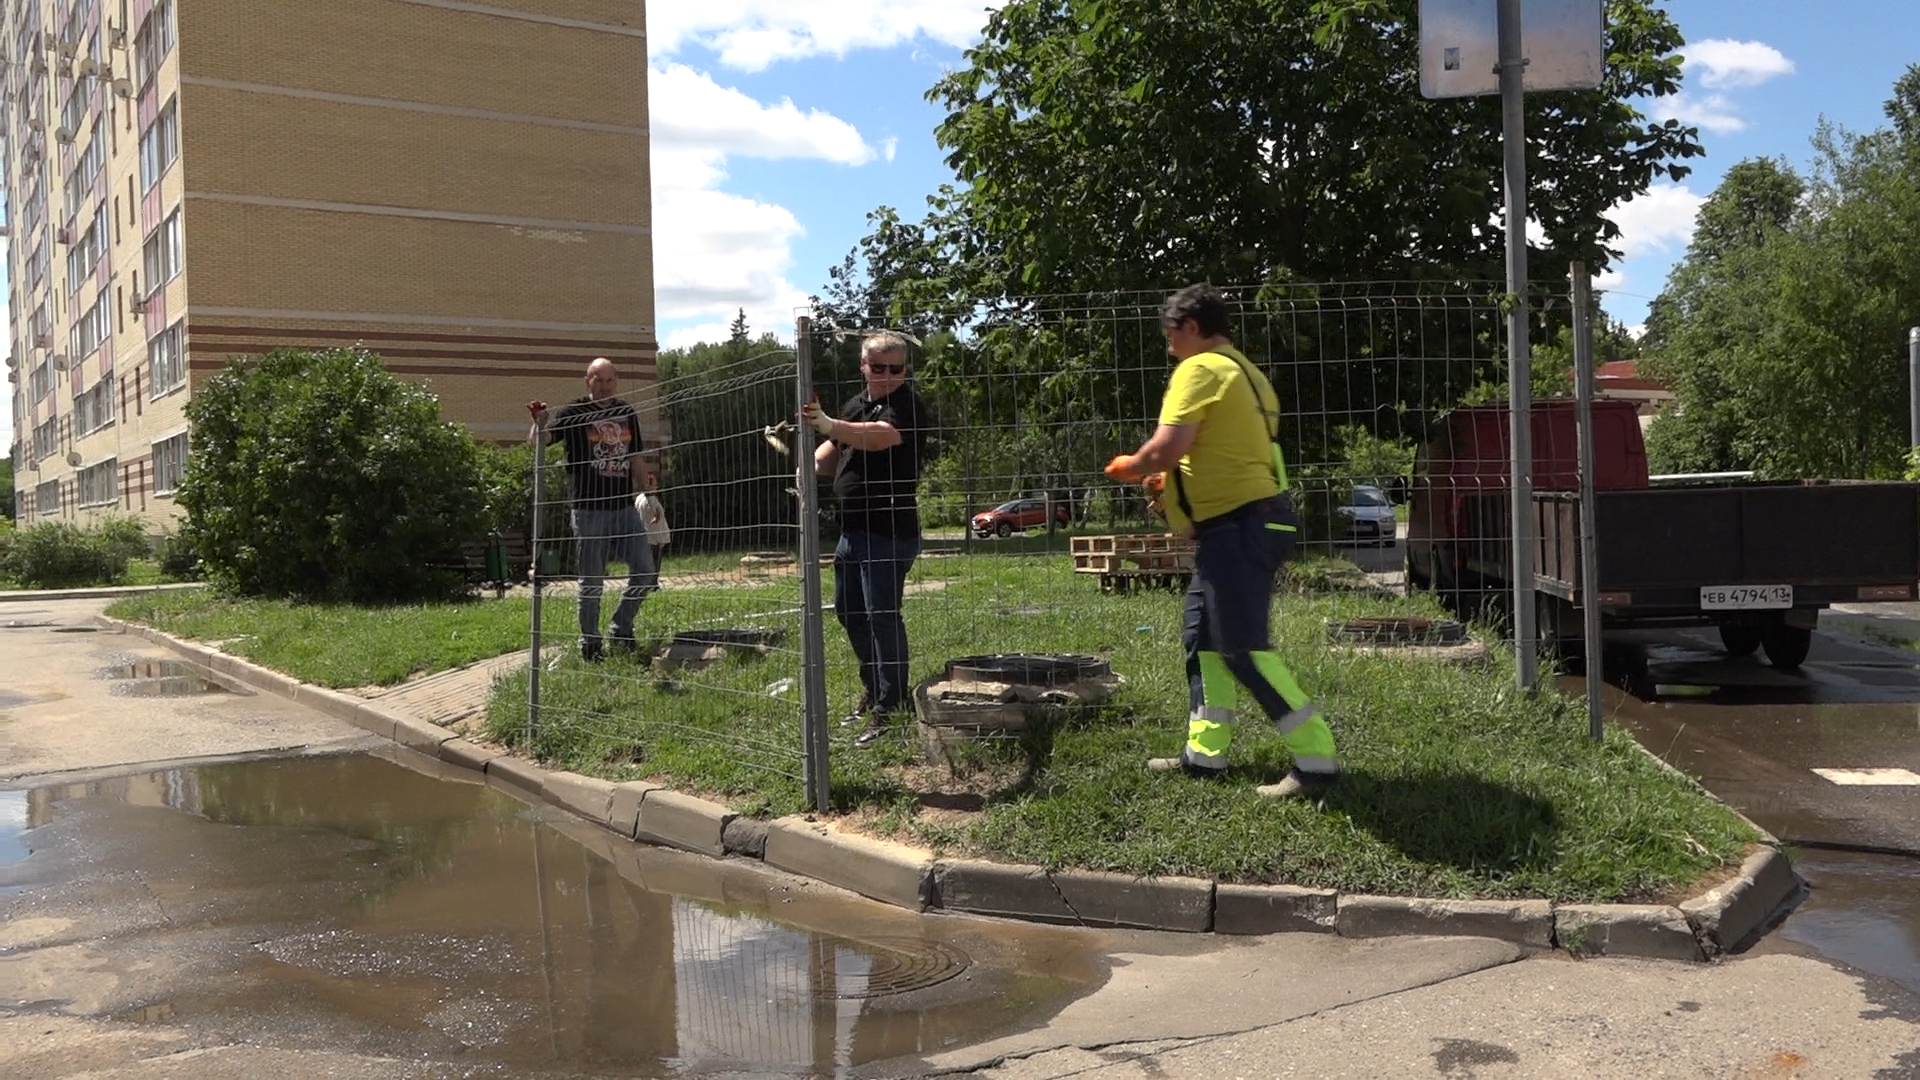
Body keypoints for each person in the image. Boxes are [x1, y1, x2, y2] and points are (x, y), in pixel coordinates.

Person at [1105, 284, 1341, 799]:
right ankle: (1204, 756)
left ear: (1190, 327)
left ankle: (1317, 760)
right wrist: (1179, 488)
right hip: (1248, 523)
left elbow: (1166, 448)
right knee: (1204, 641)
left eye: (1170, 336)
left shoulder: (1200, 368)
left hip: (1240, 526)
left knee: (1242, 649)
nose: (1169, 348)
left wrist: (1133, 466)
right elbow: (1225, 452)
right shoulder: (1249, 375)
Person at [803, 331, 931, 746]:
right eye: (879, 367)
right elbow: (836, 447)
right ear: (863, 366)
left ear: (904, 369)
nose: (888, 375)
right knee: (849, 612)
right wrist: (808, 462)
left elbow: (879, 436)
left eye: (896, 368)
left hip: (889, 531)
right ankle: (874, 690)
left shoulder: (905, 405)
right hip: (853, 530)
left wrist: (830, 424)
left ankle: (889, 707)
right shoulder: (858, 405)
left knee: (881, 616)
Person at [529, 357, 657, 662]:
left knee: (645, 572)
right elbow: (541, 441)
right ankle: (590, 643)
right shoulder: (573, 412)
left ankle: (620, 627)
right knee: (592, 580)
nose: (604, 386)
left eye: (609, 380)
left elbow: (637, 456)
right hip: (589, 511)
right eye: (598, 380)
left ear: (617, 381)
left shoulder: (626, 412)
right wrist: (538, 423)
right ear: (587, 381)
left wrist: (650, 498)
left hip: (624, 508)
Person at [635, 470, 670, 573]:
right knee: (654, 562)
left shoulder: (639, 498)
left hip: (644, 535)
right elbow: (657, 517)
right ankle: (652, 583)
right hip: (654, 537)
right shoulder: (652, 500)